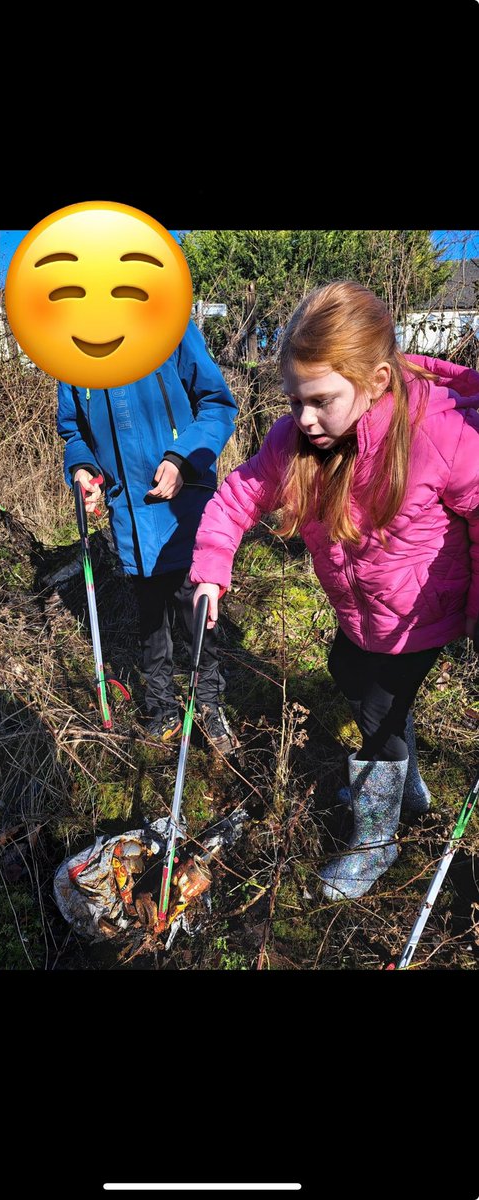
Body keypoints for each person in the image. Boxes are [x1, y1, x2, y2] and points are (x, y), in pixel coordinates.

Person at [190, 281, 479, 900]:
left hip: (422, 614)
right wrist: (213, 565)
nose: (304, 418)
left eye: (320, 400)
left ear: (376, 380)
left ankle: (378, 840)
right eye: (294, 400)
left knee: (378, 716)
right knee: (347, 669)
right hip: (361, 613)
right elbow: (241, 494)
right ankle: (407, 787)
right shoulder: (296, 439)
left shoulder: (441, 433)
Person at [57, 319, 239, 753]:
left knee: (195, 606)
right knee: (150, 610)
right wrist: (83, 468)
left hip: (183, 504)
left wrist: (182, 459)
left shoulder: (168, 326)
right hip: (128, 513)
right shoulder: (71, 354)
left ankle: (208, 704)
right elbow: (73, 431)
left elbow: (217, 405)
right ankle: (162, 708)